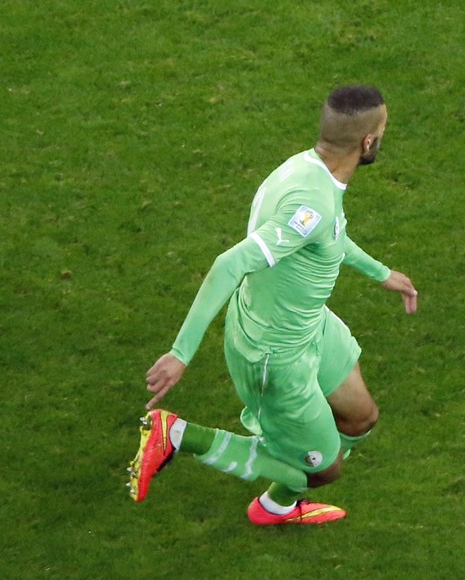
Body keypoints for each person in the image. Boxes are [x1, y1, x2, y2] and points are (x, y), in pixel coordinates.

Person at [128, 85, 419, 525]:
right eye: (382, 130)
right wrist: (181, 353)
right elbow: (230, 264)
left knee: (360, 419)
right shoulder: (311, 202)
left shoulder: (307, 171)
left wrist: (381, 273)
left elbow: (328, 236)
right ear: (367, 141)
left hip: (310, 325)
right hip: (275, 355)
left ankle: (274, 507)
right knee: (322, 469)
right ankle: (177, 436)